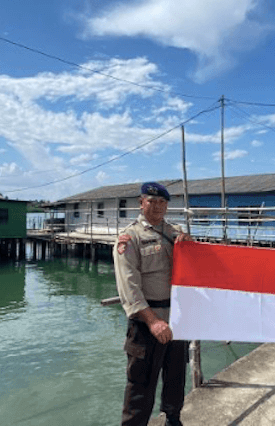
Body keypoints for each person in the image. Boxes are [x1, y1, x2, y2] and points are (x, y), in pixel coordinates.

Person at [113, 182, 192, 426]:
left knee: (176, 375)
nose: (157, 206)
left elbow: (195, 271)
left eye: (162, 202)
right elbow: (129, 287)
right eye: (152, 201)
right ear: (141, 202)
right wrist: (153, 321)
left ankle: (173, 417)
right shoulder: (130, 237)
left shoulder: (176, 232)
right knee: (141, 384)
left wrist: (191, 247)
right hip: (147, 321)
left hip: (177, 319)